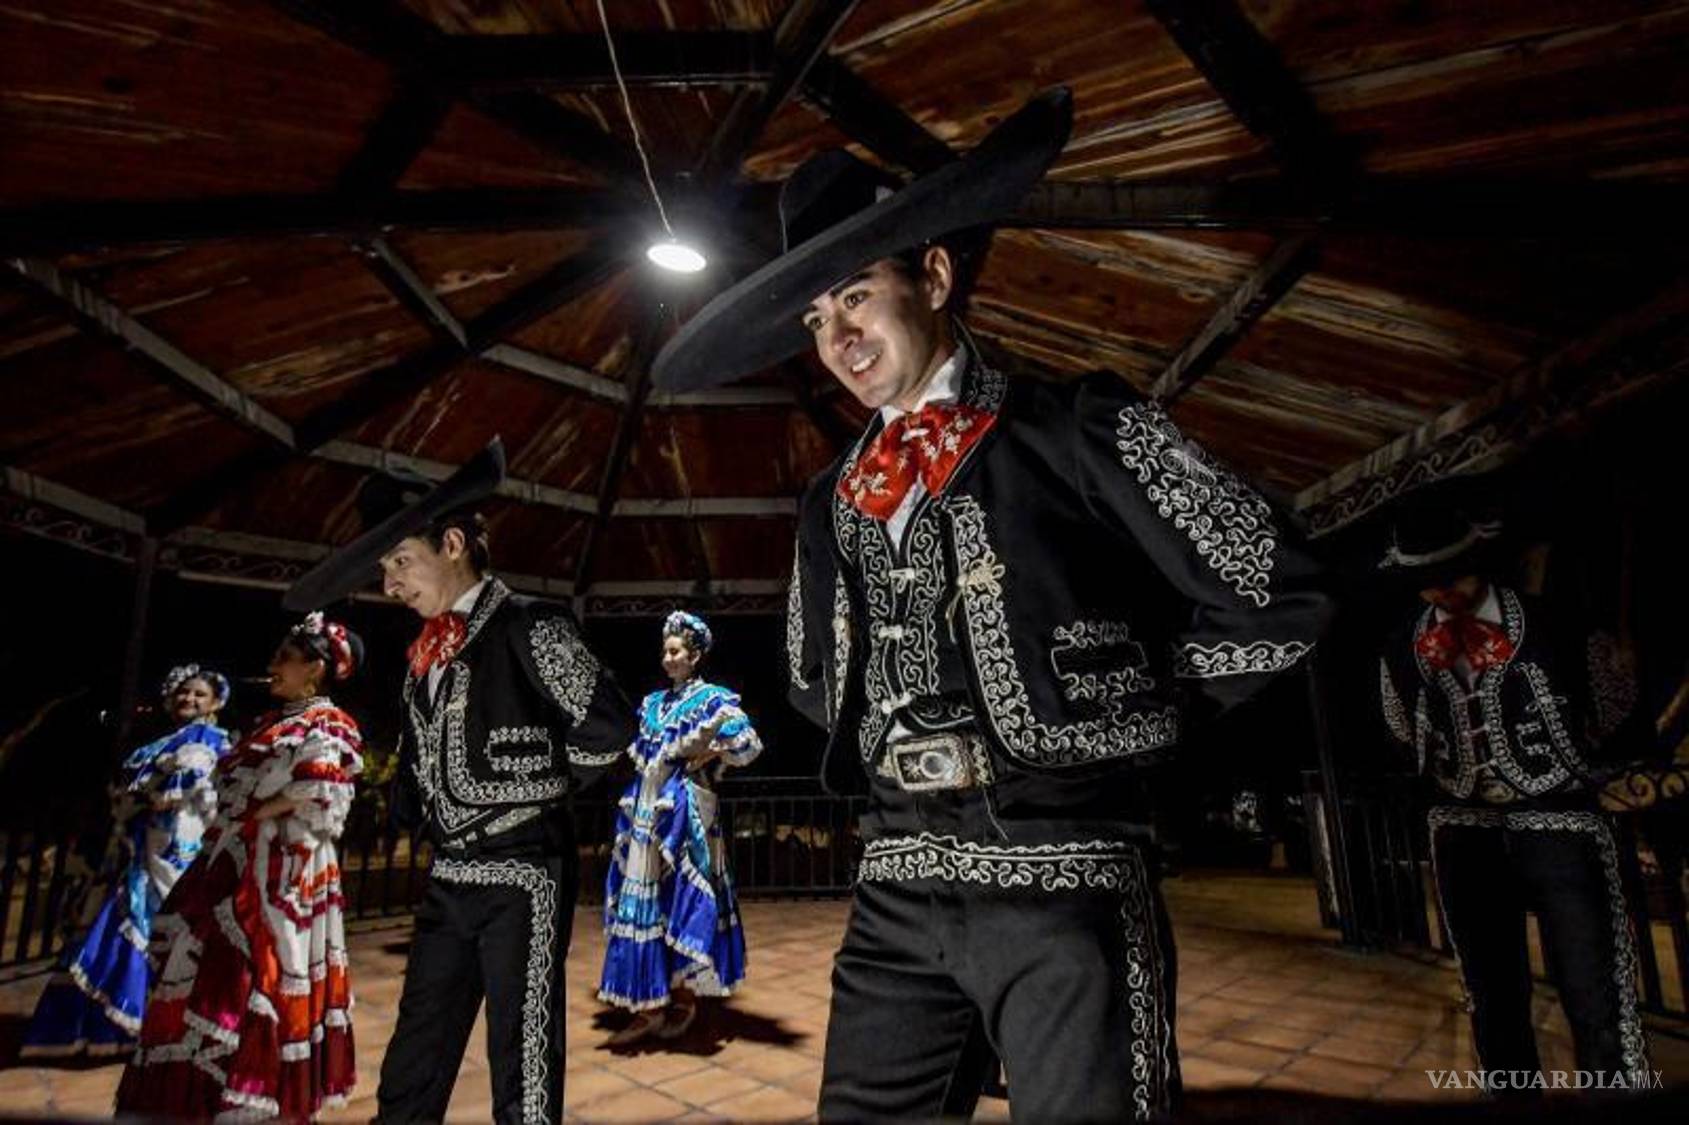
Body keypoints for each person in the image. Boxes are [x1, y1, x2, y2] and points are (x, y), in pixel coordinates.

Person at [652, 88, 1333, 1123]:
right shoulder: (830, 495)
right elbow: (808, 673)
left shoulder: (1078, 422)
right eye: (816, 318)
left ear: (931, 276)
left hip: (1064, 872)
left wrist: (1148, 714)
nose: (836, 337)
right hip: (895, 878)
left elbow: (1276, 591)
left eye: (854, 298)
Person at [282, 439, 636, 1125]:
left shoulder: (530, 625)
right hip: (449, 878)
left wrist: (534, 789)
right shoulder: (422, 656)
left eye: (399, 561)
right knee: (417, 1050)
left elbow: (610, 727)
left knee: (523, 1056)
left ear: (452, 542)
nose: (389, 583)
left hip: (524, 874)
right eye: (385, 568)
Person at [1375, 507, 1652, 1086]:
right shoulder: (1403, 645)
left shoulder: (1558, 622)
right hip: (1463, 826)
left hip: (1560, 822)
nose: (1444, 590)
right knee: (1491, 994)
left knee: (1594, 988)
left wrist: (1571, 768)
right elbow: (1400, 728)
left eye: (1456, 573)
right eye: (1429, 579)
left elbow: (1615, 705)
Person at [115, 615, 364, 1121]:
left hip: (280, 870)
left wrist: (253, 814)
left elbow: (322, 795)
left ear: (315, 668)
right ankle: (198, 1091)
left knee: (250, 975)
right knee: (205, 973)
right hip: (234, 859)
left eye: (284, 658)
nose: (272, 667)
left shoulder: (328, 723)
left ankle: (248, 1094)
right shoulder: (274, 722)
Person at [21, 664, 233, 1058]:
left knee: (153, 932)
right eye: (184, 692)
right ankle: (101, 1028)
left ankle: (147, 1025)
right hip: (133, 850)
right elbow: (129, 788)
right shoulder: (158, 742)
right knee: (111, 929)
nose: (190, 699)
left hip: (172, 851)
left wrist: (150, 791)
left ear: (215, 702)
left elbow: (183, 787)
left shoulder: (210, 739)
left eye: (199, 694)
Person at [599, 610, 764, 1045]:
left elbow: (747, 745)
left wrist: (708, 753)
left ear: (694, 656)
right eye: (665, 651)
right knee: (646, 902)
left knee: (682, 899)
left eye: (675, 651)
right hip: (646, 810)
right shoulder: (653, 704)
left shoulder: (712, 699)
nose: (668, 658)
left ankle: (685, 997)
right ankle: (650, 1002)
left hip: (686, 813)